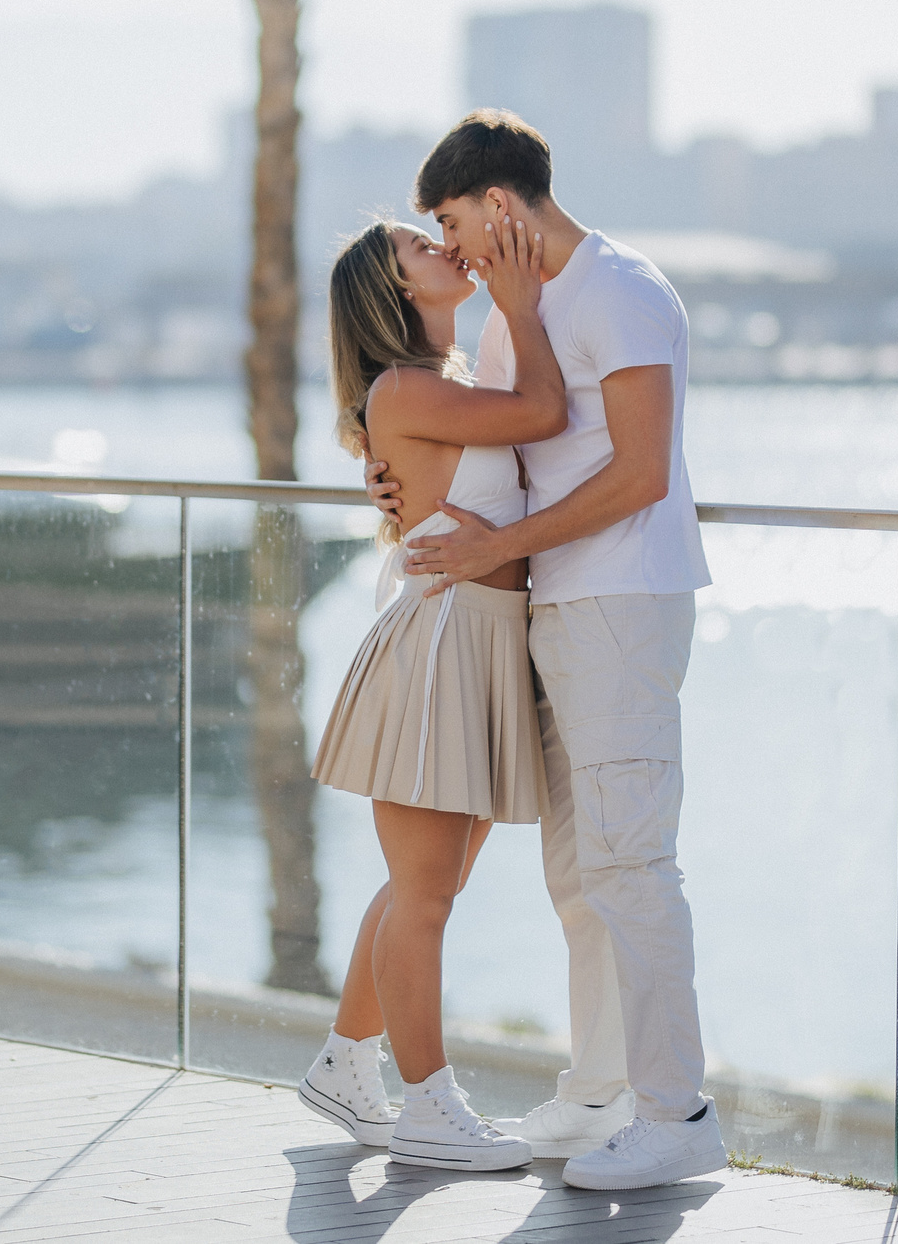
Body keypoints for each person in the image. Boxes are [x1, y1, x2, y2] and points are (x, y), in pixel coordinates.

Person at [369, 108, 725, 1192]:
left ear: (499, 202)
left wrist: (497, 550)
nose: (453, 244)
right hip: (554, 608)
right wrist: (401, 493)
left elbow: (639, 473)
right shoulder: (509, 318)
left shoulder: (620, 290)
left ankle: (679, 1112)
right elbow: (496, 454)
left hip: (620, 600)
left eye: (450, 220)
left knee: (630, 864)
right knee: (578, 875)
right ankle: (598, 1093)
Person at [299, 212, 567, 1171]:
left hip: (487, 640)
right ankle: (429, 1108)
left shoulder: (438, 384)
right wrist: (520, 299)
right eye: (420, 244)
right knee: (425, 893)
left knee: (431, 883)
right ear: (395, 288)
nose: (440, 245)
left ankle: (344, 1060)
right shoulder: (408, 388)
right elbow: (545, 411)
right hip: (444, 637)